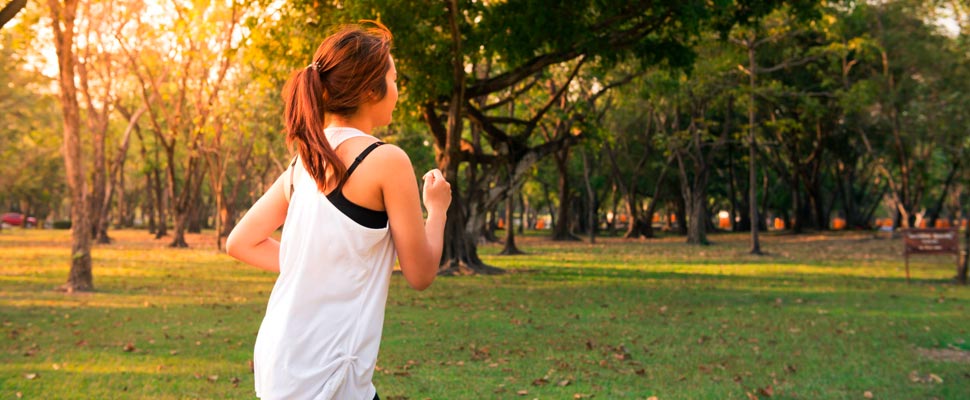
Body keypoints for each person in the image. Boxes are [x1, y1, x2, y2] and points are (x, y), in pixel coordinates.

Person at [226, 21, 451, 400]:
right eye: (394, 80)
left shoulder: (304, 163)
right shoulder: (387, 161)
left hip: (280, 359)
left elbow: (240, 242)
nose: (397, 92)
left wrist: (314, 263)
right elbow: (421, 273)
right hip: (328, 369)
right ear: (369, 89)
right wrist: (438, 209)